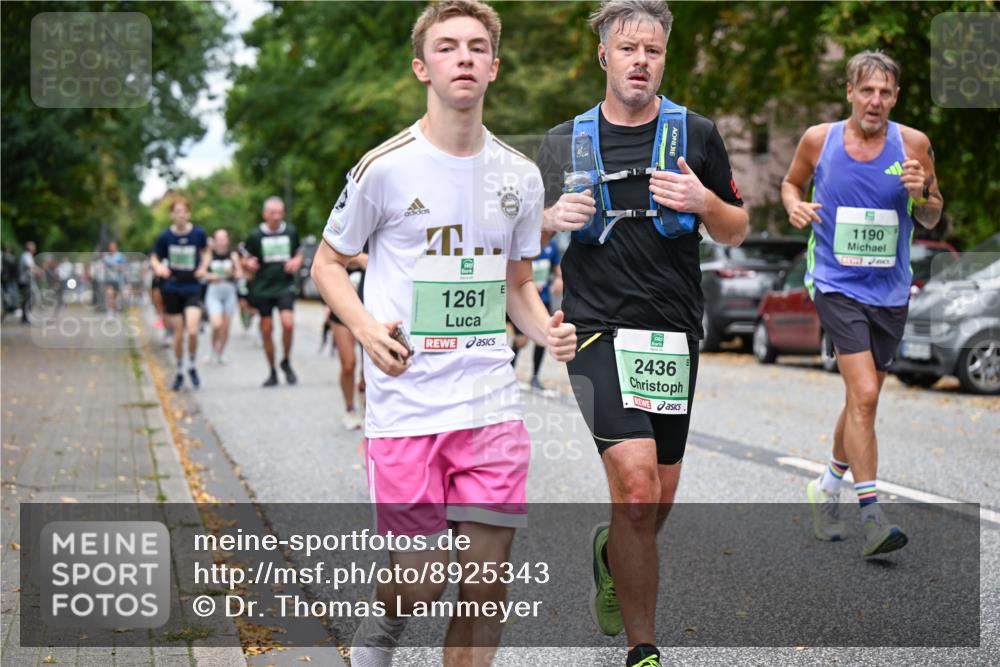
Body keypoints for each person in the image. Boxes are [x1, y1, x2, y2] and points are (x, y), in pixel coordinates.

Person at [310, 2, 577, 665]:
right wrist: (368, 331)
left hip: (488, 400)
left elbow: (517, 283)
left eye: (476, 46)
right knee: (422, 577)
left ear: (493, 65)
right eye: (448, 46)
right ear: (421, 67)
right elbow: (327, 263)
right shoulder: (385, 167)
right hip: (406, 406)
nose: (463, 56)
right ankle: (389, 624)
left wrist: (546, 330)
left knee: (484, 585)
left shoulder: (519, 176)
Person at [537, 2, 747, 664]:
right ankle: (644, 648)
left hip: (672, 334)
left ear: (664, 58)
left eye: (652, 51)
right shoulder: (561, 141)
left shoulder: (698, 134)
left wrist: (706, 203)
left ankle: (610, 550)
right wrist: (549, 217)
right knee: (633, 486)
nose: (640, 61)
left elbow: (736, 226)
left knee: (654, 499)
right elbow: (516, 242)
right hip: (594, 330)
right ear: (604, 55)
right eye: (628, 49)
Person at [782, 50, 943, 557]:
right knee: (868, 394)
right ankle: (871, 515)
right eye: (866, 90)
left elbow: (935, 215)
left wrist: (922, 196)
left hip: (890, 291)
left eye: (886, 92)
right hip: (834, 282)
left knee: (861, 397)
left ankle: (826, 486)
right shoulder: (819, 140)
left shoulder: (913, 144)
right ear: (849, 92)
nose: (876, 101)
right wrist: (794, 205)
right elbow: (790, 183)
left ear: (895, 97)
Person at [243, 197, 303, 387]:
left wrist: (296, 262)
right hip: (263, 287)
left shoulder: (290, 231)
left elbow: (299, 253)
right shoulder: (255, 235)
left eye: (280, 213)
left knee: (288, 324)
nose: (277, 217)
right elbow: (244, 258)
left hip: (284, 285)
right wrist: (248, 263)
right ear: (265, 214)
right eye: (273, 213)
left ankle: (285, 360)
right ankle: (272, 370)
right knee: (267, 329)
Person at [150, 198, 209, 391]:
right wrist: (159, 267)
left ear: (188, 214)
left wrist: (203, 267)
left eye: (183, 211)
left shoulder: (198, 233)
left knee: (192, 330)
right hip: (173, 288)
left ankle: (192, 364)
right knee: (178, 334)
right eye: (177, 211)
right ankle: (180, 369)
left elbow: (207, 251)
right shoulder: (165, 237)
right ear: (172, 215)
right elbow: (154, 257)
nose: (180, 214)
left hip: (192, 287)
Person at [321, 252, 368, 430]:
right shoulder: (347, 226)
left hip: (370, 310)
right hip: (342, 309)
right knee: (348, 364)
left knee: (369, 369)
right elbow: (325, 260)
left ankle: (364, 395)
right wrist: (359, 259)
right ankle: (349, 409)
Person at [511, 237, 563, 391]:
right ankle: (509, 371)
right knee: (521, 340)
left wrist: (559, 279)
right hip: (523, 300)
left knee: (543, 339)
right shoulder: (524, 242)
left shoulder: (551, 245)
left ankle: (534, 377)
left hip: (543, 299)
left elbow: (557, 268)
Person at [203, 229, 244, 364]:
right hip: (214, 291)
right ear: (214, 241)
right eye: (218, 238)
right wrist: (210, 276)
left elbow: (239, 274)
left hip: (229, 292)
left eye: (223, 238)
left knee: (226, 327)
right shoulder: (209, 255)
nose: (221, 241)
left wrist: (233, 272)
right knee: (216, 324)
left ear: (227, 240)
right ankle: (213, 350)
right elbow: (200, 273)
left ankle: (221, 353)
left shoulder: (233, 256)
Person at [103, 241, 126, 319]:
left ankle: (114, 311)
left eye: (113, 247)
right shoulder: (106, 256)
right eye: (110, 247)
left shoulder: (120, 256)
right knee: (110, 295)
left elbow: (124, 266)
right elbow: (104, 267)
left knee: (115, 297)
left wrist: (117, 267)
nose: (111, 248)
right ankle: (110, 312)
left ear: (116, 247)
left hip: (118, 279)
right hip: (109, 279)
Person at [17, 241, 38, 324]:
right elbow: (30, 266)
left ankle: (25, 317)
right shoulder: (26, 255)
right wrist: (39, 271)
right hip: (25, 281)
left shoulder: (26, 255)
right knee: (27, 299)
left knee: (28, 299)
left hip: (26, 280)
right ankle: (25, 317)